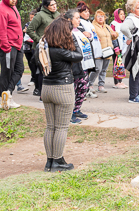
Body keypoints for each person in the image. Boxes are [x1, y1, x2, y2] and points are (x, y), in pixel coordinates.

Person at [37, 18, 83, 172]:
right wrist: (73, 37)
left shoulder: (43, 49)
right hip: (62, 89)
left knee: (51, 127)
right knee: (62, 127)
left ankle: (50, 161)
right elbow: (79, 55)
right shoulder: (61, 51)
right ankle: (57, 160)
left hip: (47, 88)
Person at [0, 0, 25, 110]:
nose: (13, 0)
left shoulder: (13, 7)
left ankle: (8, 93)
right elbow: (1, 31)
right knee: (7, 72)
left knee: (19, 69)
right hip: (7, 45)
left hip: (17, 44)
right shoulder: (0, 10)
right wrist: (6, 47)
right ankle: (4, 100)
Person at [64, 9, 96, 124]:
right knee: (74, 89)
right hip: (75, 66)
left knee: (83, 88)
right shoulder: (66, 32)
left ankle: (77, 109)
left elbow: (89, 39)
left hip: (85, 64)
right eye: (77, 18)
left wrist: (89, 35)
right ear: (69, 20)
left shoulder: (80, 29)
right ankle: (69, 113)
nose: (79, 20)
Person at [27, 0, 60, 97]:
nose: (54, 6)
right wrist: (40, 40)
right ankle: (42, 94)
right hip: (42, 49)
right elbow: (30, 29)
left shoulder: (58, 14)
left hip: (55, 47)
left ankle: (53, 93)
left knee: (54, 71)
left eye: (55, 4)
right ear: (46, 6)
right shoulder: (40, 15)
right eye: (51, 5)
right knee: (43, 72)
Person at [76, 1, 102, 99]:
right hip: (86, 50)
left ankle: (87, 88)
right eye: (85, 11)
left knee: (94, 69)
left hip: (94, 48)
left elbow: (90, 34)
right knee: (86, 71)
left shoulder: (88, 22)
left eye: (88, 11)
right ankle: (85, 89)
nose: (87, 13)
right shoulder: (80, 22)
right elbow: (85, 34)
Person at [89, 9, 118, 93]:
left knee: (104, 69)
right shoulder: (92, 26)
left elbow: (113, 35)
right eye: (98, 16)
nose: (101, 18)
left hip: (108, 51)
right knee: (97, 68)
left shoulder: (107, 27)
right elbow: (90, 35)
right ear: (95, 17)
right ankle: (90, 84)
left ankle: (101, 85)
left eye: (102, 16)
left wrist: (115, 34)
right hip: (98, 51)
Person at [110, 8, 128, 89]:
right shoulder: (114, 24)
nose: (123, 16)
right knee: (116, 64)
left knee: (121, 64)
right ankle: (116, 82)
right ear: (117, 15)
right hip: (117, 48)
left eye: (124, 14)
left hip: (123, 48)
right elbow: (113, 37)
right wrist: (116, 48)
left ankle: (120, 80)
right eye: (121, 14)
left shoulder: (124, 23)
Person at [23, 10, 38, 90]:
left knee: (35, 62)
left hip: (34, 46)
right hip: (27, 47)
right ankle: (33, 77)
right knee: (30, 63)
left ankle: (36, 78)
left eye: (33, 17)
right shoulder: (27, 24)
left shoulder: (38, 25)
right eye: (30, 18)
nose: (31, 19)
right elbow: (23, 32)